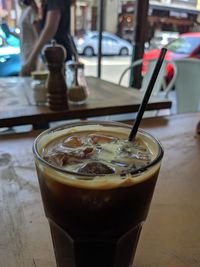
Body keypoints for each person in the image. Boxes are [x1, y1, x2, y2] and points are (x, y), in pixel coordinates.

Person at [21, 0, 75, 76]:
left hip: (58, 58)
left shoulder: (54, 2)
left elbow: (50, 28)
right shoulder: (48, 3)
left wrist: (32, 60)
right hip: (54, 58)